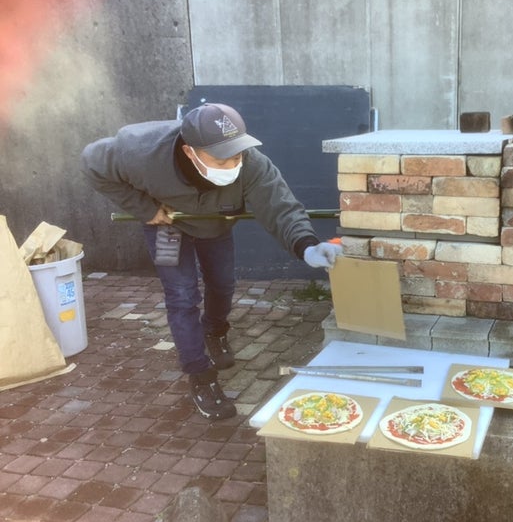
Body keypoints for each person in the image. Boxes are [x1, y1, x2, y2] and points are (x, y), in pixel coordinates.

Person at [82, 103, 341, 420]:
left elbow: (281, 208)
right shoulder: (140, 151)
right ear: (190, 152)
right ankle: (200, 374)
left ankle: (215, 330)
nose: (234, 164)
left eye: (238, 155)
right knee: (181, 296)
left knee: (222, 283)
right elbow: (92, 162)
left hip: (215, 224)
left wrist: (307, 246)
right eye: (222, 159)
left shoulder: (251, 164)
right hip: (167, 225)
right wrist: (143, 208)